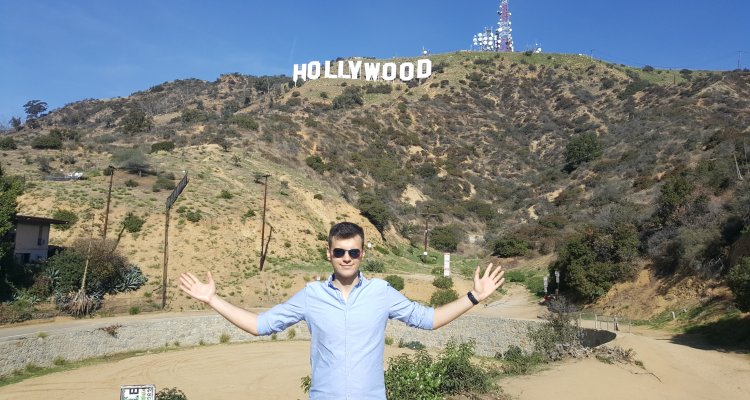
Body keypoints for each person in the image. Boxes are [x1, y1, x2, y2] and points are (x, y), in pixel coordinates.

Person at [179, 221, 504, 399]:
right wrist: (212, 300)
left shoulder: (381, 292)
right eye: (339, 251)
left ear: (362, 253)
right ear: (329, 253)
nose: (346, 257)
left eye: (352, 251)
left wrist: (473, 296)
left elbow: (429, 320)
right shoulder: (311, 295)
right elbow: (259, 325)